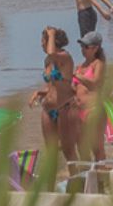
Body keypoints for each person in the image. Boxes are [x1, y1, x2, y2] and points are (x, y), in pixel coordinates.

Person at [27, 27, 82, 158]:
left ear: (53, 41)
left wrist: (51, 33)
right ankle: (51, 178)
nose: (41, 44)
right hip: (48, 109)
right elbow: (52, 86)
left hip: (64, 107)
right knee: (51, 151)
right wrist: (40, 92)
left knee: (68, 150)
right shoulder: (48, 60)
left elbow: (52, 53)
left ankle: (75, 177)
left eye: (43, 40)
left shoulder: (65, 57)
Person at [68, 32, 107, 162]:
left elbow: (95, 84)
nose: (82, 50)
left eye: (86, 47)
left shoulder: (98, 64)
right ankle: (88, 178)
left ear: (95, 48)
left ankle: (101, 179)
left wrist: (79, 77)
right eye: (82, 46)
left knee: (97, 148)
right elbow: (74, 89)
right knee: (82, 148)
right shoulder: (80, 66)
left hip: (93, 109)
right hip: (79, 111)